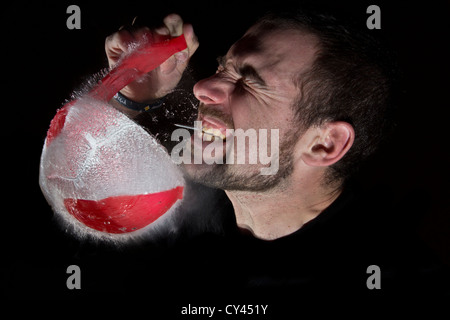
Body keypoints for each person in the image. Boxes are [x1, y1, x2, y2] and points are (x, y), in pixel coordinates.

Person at [105, 12, 448, 302]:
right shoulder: (174, 217)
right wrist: (129, 96)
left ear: (324, 145)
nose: (201, 87)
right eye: (222, 68)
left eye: (251, 83)